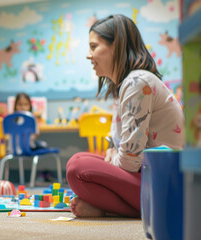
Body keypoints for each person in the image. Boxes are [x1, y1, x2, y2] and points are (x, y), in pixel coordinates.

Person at [66, 14, 184, 218]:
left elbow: (129, 162)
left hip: (165, 183)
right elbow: (119, 145)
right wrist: (112, 153)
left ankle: (118, 209)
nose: (88, 55)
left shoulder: (137, 82)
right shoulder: (126, 84)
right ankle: (119, 207)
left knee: (78, 167)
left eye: (94, 47)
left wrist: (113, 159)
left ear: (117, 46)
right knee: (81, 159)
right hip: (148, 174)